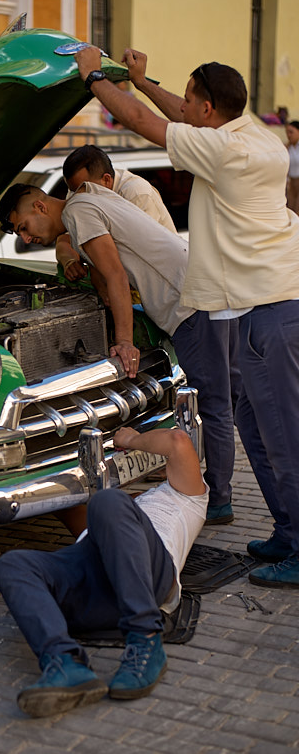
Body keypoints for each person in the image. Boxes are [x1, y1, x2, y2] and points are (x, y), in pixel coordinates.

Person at [73, 46, 299, 586]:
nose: (185, 105)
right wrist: (144, 80)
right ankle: (288, 533)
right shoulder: (250, 135)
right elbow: (173, 111)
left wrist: (93, 78)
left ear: (207, 111)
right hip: (257, 307)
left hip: (271, 311)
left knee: (282, 435)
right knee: (255, 424)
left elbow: (142, 121)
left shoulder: (225, 152)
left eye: (191, 98)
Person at [0, 182, 238, 527]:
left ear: (39, 206)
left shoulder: (78, 212)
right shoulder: (90, 197)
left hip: (188, 305)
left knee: (214, 405)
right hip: (202, 291)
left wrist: (124, 341)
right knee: (232, 397)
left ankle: (217, 499)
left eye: (22, 226)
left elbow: (116, 275)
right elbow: (108, 264)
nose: (26, 238)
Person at [0, 426, 208, 718]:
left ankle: (145, 639)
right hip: (93, 585)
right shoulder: (124, 507)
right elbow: (68, 507)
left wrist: (130, 440)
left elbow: (177, 441)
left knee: (106, 501)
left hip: (148, 579)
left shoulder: (187, 496)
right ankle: (65, 662)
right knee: (12, 564)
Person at [55, 145, 177, 282]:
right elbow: (64, 240)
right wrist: (69, 262)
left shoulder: (137, 193)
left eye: (84, 190)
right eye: (74, 191)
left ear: (107, 180)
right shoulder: (79, 191)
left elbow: (140, 255)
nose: (78, 197)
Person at [285, 120, 299, 214]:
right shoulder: (287, 147)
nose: (289, 135)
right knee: (291, 209)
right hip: (291, 182)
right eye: (287, 132)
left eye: (291, 132)